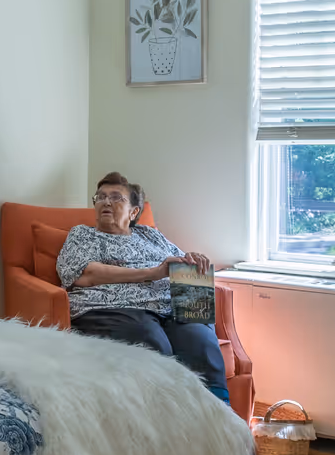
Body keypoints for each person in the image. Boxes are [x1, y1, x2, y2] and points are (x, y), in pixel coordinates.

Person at [56, 171, 229, 403]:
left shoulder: (150, 235)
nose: (106, 201)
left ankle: (219, 418)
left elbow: (178, 262)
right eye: (100, 197)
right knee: (154, 345)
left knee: (201, 342)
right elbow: (85, 275)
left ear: (134, 212)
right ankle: (166, 419)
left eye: (116, 197)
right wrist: (152, 273)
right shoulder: (82, 235)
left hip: (169, 307)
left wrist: (192, 261)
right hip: (114, 307)